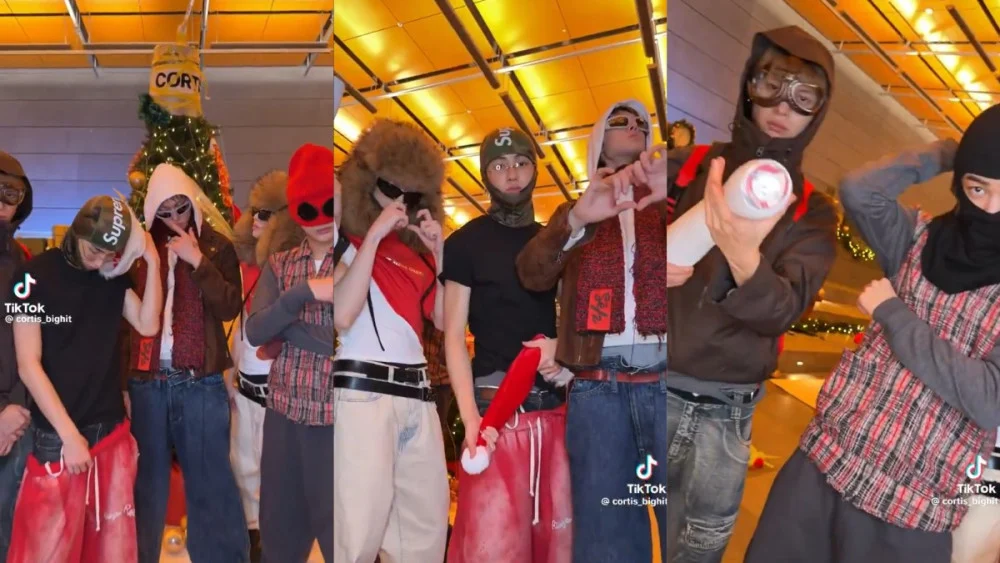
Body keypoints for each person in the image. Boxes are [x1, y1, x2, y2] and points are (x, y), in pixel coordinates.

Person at [745, 108, 1000, 562]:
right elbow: (860, 191)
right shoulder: (919, 238)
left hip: (911, 509)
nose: (989, 208)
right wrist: (950, 153)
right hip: (825, 462)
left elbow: (989, 399)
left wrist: (893, 314)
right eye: (977, 187)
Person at [664, 26, 839, 561]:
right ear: (749, 85)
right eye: (772, 85)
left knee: (698, 548)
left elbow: (784, 309)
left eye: (804, 97)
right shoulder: (687, 167)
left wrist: (743, 257)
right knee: (616, 532)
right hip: (651, 389)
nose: (783, 108)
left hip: (726, 410)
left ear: (818, 112)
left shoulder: (811, 210)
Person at [516, 101, 668, 562]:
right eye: (621, 121)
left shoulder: (666, 203)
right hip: (598, 387)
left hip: (668, 383)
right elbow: (532, 274)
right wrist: (577, 219)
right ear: (598, 139)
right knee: (605, 537)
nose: (635, 127)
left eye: (642, 123)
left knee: (684, 526)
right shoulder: (576, 210)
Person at [7, 194, 157, 562]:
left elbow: (147, 324)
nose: (101, 260)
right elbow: (28, 364)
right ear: (78, 232)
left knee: (108, 547)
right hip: (57, 435)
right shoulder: (30, 276)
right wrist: (68, 435)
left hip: (108, 429)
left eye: (110, 254)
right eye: (96, 250)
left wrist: (152, 260)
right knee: (48, 549)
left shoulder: (112, 277)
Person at [443, 127, 570, 562]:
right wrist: (470, 418)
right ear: (485, 175)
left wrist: (562, 348)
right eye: (499, 166)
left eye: (520, 163)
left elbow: (575, 317)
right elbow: (453, 335)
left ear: (535, 169)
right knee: (494, 543)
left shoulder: (553, 242)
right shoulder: (464, 244)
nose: (512, 174)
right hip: (495, 412)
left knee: (557, 540)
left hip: (554, 408)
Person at [332, 119, 448, 563]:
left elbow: (442, 319)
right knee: (357, 531)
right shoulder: (346, 243)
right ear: (366, 183)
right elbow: (343, 313)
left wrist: (439, 253)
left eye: (411, 195)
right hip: (364, 394)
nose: (399, 201)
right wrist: (374, 235)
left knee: (424, 531)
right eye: (389, 188)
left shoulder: (417, 254)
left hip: (417, 396)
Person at [122, 163, 248, 563]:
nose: (175, 218)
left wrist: (198, 261)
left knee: (211, 483)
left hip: (200, 381)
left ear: (192, 202)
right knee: (145, 485)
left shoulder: (216, 246)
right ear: (152, 211)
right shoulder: (139, 249)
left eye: (181, 207)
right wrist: (123, 384)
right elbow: (124, 321)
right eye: (165, 211)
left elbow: (229, 307)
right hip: (147, 381)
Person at [244, 143, 335, 562]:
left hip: (337, 419)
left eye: (329, 205)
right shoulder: (280, 264)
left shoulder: (354, 262)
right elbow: (255, 330)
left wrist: (288, 328)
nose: (322, 220)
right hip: (283, 414)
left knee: (342, 535)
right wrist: (302, 294)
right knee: (280, 532)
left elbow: (341, 341)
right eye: (309, 209)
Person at [229, 169, 302, 563]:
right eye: (254, 212)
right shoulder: (244, 266)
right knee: (243, 471)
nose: (255, 220)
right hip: (244, 386)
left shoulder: (290, 268)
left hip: (277, 391)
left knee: (275, 476)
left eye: (265, 214)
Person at [0, 153, 33, 562]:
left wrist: (16, 410)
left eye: (11, 194)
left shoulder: (25, 264)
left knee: (10, 531)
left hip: (15, 418)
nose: (1, 203)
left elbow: (38, 340)